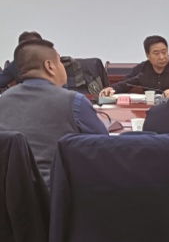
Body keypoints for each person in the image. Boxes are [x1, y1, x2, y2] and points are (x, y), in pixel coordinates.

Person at [0, 39, 108, 186]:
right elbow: (105, 148)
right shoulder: (74, 101)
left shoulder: (3, 100)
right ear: (49, 66)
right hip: (58, 192)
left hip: (9, 192)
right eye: (60, 62)